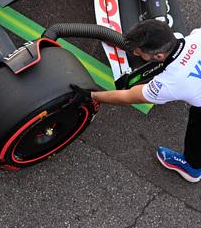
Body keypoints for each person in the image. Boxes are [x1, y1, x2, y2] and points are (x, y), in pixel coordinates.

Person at [81, 19, 201, 182]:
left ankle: (191, 168)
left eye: (139, 53)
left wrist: (92, 96)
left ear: (159, 56)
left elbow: (127, 97)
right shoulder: (197, 36)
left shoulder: (168, 84)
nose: (136, 54)